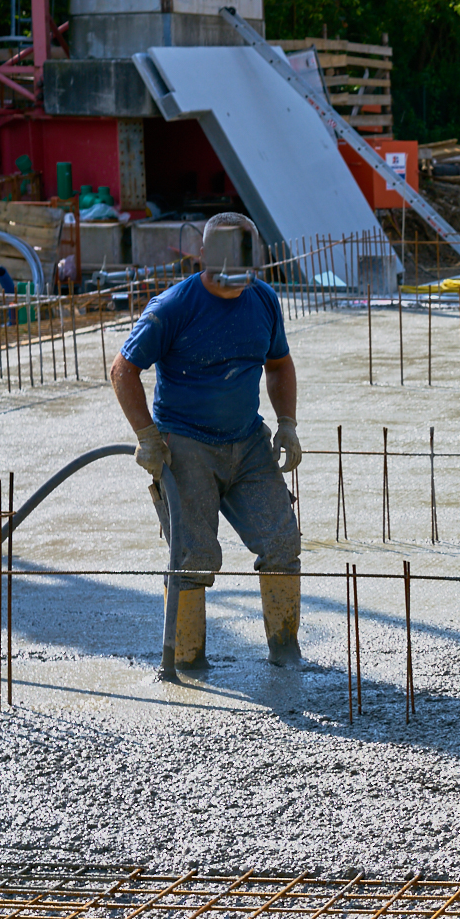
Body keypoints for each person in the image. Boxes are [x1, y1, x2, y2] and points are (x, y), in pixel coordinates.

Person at [110, 212, 304, 669]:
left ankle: (284, 648)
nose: (237, 279)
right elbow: (123, 370)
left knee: (281, 543)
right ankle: (187, 660)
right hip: (186, 445)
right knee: (193, 557)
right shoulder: (173, 307)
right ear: (203, 257)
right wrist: (147, 437)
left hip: (247, 441)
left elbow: (278, 365)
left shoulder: (264, 300)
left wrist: (288, 422)